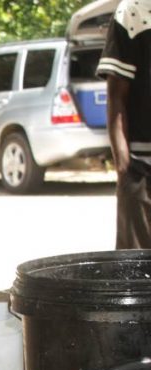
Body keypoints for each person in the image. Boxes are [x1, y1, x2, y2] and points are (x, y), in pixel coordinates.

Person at [97, 0, 151, 249]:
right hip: (142, 169)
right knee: (135, 276)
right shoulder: (134, 10)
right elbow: (116, 96)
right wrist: (124, 169)